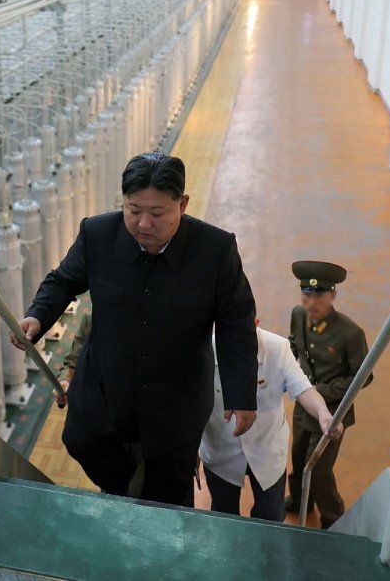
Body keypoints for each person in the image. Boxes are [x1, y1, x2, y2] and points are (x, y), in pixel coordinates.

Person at [15, 152, 258, 507]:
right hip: (105, 391)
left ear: (183, 204)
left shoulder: (215, 251)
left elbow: (237, 321)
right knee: (83, 444)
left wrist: (241, 394)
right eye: (133, 210)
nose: (143, 223)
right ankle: (122, 490)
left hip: (175, 401)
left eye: (157, 214)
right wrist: (37, 317)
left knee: (169, 491)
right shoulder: (97, 234)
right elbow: (63, 281)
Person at [200, 321, 341, 521]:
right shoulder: (204, 351)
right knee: (223, 515)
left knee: (270, 517)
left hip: (267, 449)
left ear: (256, 323)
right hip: (220, 451)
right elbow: (190, 402)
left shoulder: (278, 348)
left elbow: (303, 388)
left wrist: (323, 413)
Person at [284, 261, 371, 529]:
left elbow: (364, 376)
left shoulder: (350, 333)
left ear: (332, 295)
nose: (311, 302)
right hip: (303, 406)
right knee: (298, 457)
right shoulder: (298, 314)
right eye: (306, 295)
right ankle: (301, 501)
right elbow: (293, 345)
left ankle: (333, 516)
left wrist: (322, 391)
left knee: (319, 469)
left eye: (318, 295)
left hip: (333, 411)